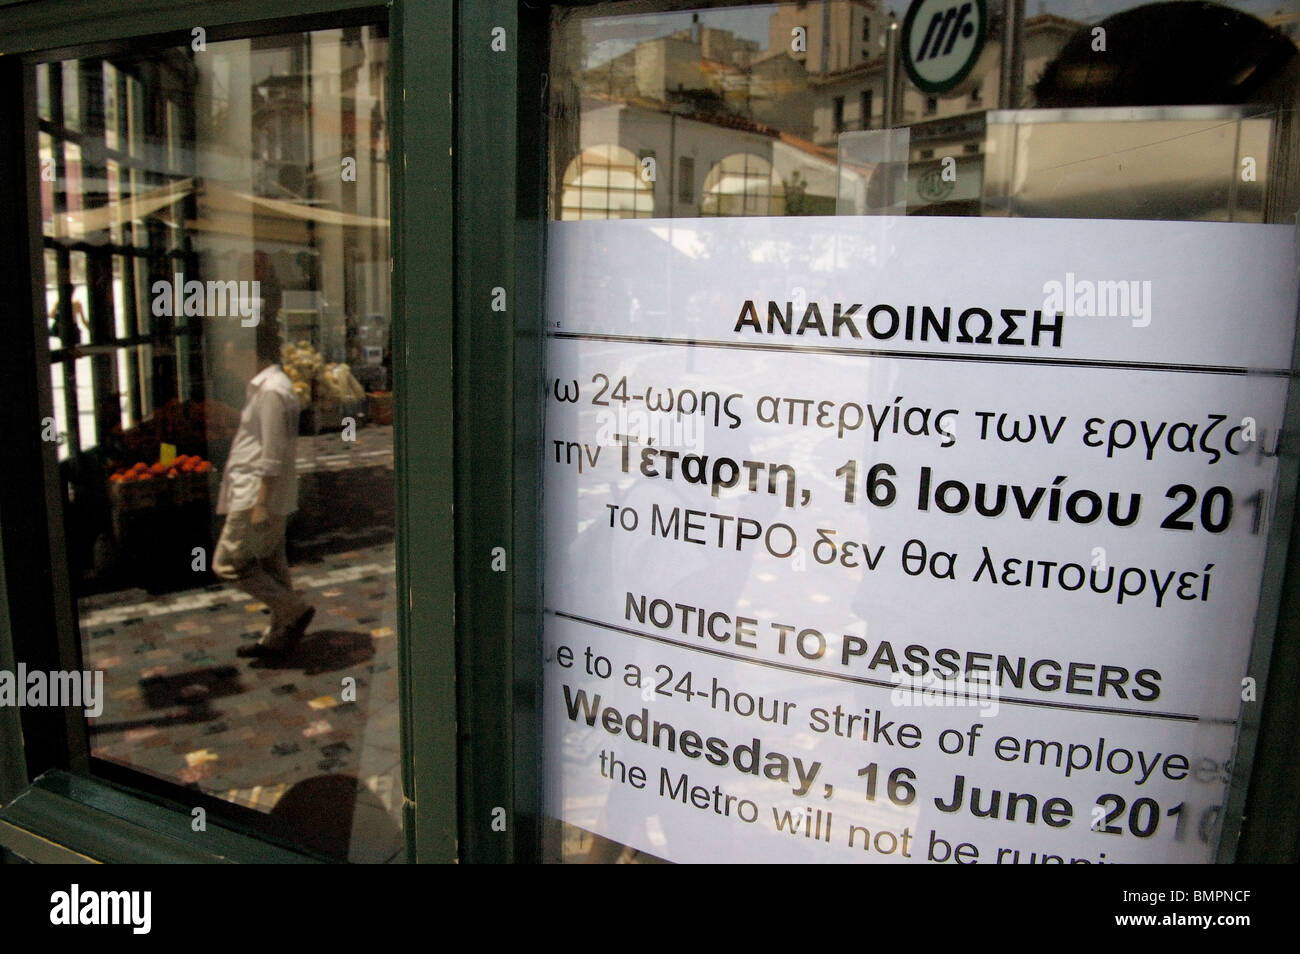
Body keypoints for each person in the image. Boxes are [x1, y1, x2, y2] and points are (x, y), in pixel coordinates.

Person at [214, 315, 314, 659]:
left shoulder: (271, 391)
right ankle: (279, 636)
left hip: (255, 495)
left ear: (249, 353)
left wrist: (260, 504)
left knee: (229, 563)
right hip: (264, 495)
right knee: (271, 563)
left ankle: (293, 610)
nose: (227, 362)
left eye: (231, 354)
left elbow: (272, 454)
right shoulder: (271, 387)